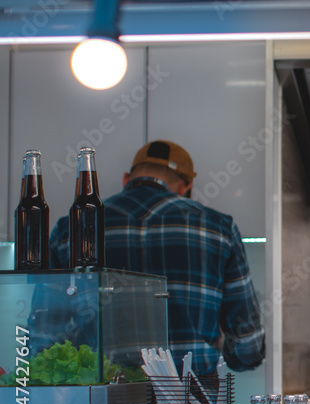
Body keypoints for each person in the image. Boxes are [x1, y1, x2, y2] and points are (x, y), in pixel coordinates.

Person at [48, 140, 265, 377]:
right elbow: (247, 345)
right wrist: (234, 354)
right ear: (186, 187)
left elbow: (46, 334)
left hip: (98, 401)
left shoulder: (72, 229)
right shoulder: (218, 228)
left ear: (126, 179)